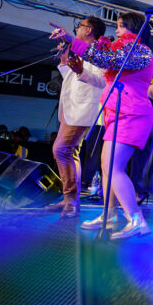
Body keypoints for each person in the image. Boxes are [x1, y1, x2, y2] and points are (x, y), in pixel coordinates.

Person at [50, 11, 153, 240]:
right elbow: (105, 65)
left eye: (121, 26)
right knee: (107, 168)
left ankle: (136, 220)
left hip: (132, 114)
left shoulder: (141, 51)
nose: (116, 30)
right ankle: (109, 215)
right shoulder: (122, 50)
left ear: (134, 28)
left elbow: (106, 60)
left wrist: (72, 40)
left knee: (113, 167)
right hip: (117, 114)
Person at [45, 16, 107, 218]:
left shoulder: (100, 52)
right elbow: (71, 78)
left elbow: (102, 82)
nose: (77, 29)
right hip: (70, 109)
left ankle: (70, 200)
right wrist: (64, 58)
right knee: (70, 153)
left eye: (80, 26)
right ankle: (70, 200)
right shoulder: (81, 51)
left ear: (88, 30)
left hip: (82, 110)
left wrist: (81, 71)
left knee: (61, 149)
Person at [129, 66, 153, 205]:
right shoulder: (138, 86)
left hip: (149, 123)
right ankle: (132, 189)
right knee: (134, 157)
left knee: (144, 157)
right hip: (137, 123)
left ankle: (142, 191)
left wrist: (145, 113)